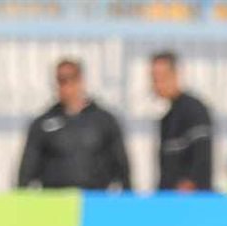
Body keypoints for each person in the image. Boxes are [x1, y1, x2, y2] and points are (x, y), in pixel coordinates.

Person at [17, 59, 131, 190]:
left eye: (71, 79)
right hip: (56, 197)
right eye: (61, 80)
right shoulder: (43, 124)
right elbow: (27, 168)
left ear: (81, 81)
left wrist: (128, 196)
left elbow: (121, 165)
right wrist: (21, 196)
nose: (66, 86)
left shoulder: (104, 121)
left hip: (94, 197)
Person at [151, 51, 213, 192]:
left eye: (161, 78)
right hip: (169, 199)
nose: (157, 84)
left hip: (191, 200)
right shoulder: (167, 118)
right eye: (154, 78)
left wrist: (189, 186)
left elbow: (202, 158)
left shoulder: (194, 110)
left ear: (176, 75)